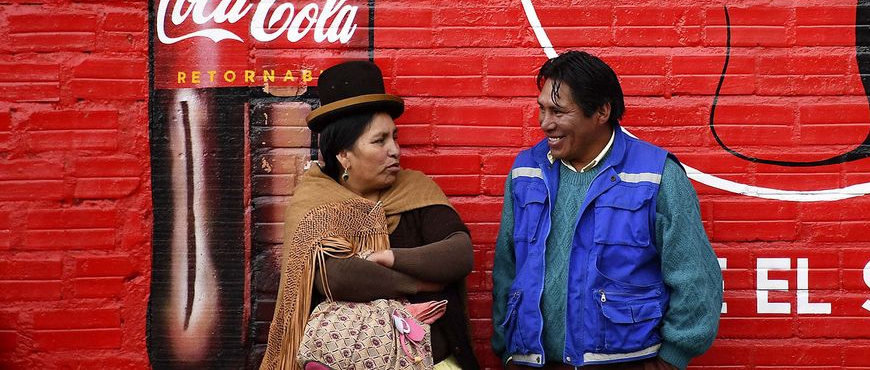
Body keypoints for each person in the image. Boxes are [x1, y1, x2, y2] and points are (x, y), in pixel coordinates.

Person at [491, 50, 723, 369]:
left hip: (626, 362)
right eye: (542, 110)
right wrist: (508, 352)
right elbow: (507, 269)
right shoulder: (525, 172)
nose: (545, 123)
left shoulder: (656, 176)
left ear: (601, 111)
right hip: (534, 362)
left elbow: (695, 278)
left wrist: (670, 359)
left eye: (558, 111)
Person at [260, 60, 480, 370]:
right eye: (379, 140)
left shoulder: (415, 188)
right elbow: (336, 277)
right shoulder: (315, 203)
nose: (395, 150)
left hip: (431, 361)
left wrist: (388, 257)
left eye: (395, 137)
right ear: (344, 155)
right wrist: (423, 284)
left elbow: (459, 254)